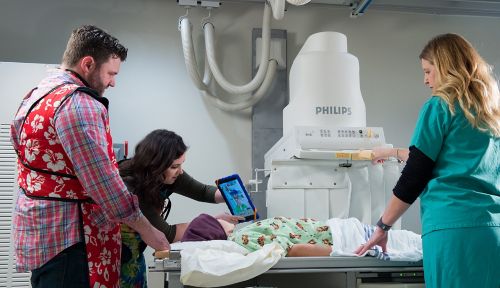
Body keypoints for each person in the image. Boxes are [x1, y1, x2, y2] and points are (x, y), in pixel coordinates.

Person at [10, 25, 169, 288]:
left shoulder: (36, 96)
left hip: (40, 234)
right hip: (72, 239)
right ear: (87, 64)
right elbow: (104, 183)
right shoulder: (79, 103)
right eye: (111, 73)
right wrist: (148, 230)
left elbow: (20, 147)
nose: (113, 82)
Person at [356, 33, 500, 288]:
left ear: (446, 67)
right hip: (492, 230)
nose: (426, 80)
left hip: (453, 231)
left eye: (429, 71)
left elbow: (416, 174)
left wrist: (382, 227)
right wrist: (391, 153)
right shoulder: (491, 114)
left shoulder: (440, 106)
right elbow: (447, 157)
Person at [118, 129, 242, 288]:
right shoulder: (131, 187)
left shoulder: (168, 174)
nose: (181, 171)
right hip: (118, 258)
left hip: (135, 256)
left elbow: (203, 191)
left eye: (181, 164)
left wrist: (233, 195)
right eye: (175, 166)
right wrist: (213, 223)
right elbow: (167, 234)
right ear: (156, 165)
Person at [180, 214, 422, 259]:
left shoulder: (246, 232)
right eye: (215, 219)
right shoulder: (243, 240)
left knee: (414, 242)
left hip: (343, 231)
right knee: (413, 244)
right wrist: (344, 253)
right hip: (345, 238)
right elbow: (292, 249)